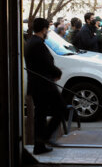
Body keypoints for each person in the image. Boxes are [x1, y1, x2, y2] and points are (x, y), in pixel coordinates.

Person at [24, 18, 66, 155]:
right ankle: (45, 138)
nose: (47, 31)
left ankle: (39, 145)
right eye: (47, 28)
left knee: (40, 115)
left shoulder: (32, 42)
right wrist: (57, 72)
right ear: (43, 29)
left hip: (38, 85)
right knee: (60, 109)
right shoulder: (37, 44)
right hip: (44, 85)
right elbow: (46, 63)